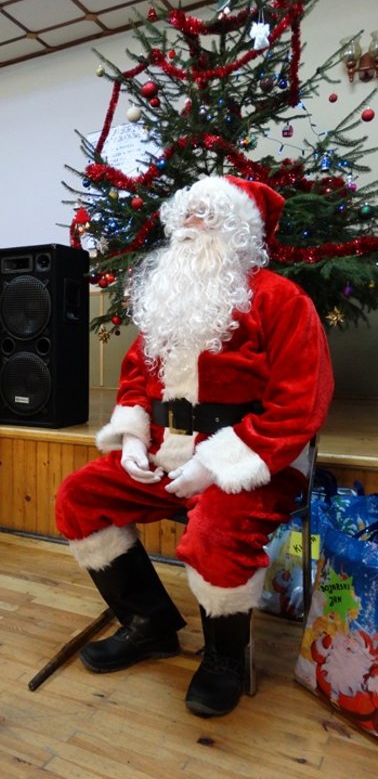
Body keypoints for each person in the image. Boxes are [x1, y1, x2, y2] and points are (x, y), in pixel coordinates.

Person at [55, 174, 334, 717]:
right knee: (80, 497)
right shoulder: (170, 299)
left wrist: (214, 465)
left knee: (214, 532)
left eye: (205, 215)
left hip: (253, 464)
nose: (188, 225)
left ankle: (225, 659)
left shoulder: (282, 301)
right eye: (184, 213)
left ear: (238, 231)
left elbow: (299, 407)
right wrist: (132, 439)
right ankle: (149, 622)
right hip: (166, 453)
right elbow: (136, 378)